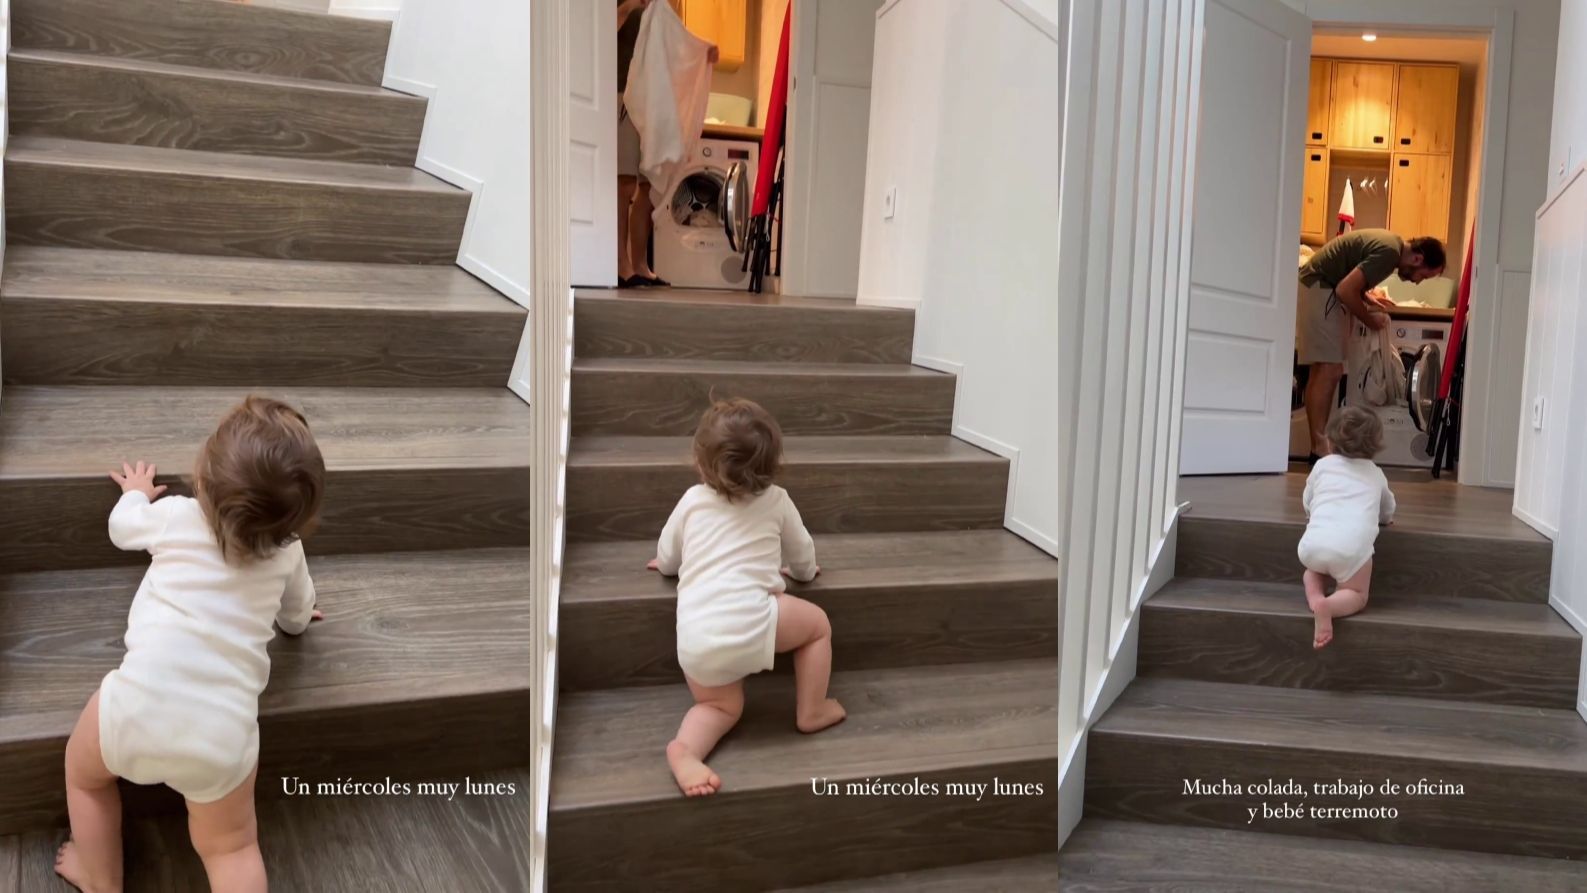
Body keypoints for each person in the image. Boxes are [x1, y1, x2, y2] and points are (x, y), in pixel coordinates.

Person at [55, 397, 325, 893]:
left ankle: (99, 877)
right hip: (221, 739)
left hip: (133, 708)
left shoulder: (177, 515)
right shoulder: (288, 554)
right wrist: (299, 618)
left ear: (201, 479)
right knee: (232, 847)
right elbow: (294, 618)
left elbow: (121, 529)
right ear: (295, 522)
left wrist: (136, 494)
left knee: (84, 775)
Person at [647, 398, 845, 797]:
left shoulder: (691, 501)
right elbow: (802, 553)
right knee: (818, 627)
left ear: (701, 464)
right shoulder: (777, 501)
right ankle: (812, 709)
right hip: (757, 620)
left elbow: (669, 554)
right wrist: (804, 574)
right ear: (773, 467)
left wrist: (666, 567)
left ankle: (686, 750)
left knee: (720, 708)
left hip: (698, 642)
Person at [1297, 229, 1446, 462]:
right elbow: (1345, 290)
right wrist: (1370, 319)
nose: (1418, 282)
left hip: (1316, 284)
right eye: (1423, 276)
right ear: (1417, 259)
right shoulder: (1388, 253)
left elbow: (1349, 279)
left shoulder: (1391, 245)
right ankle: (1318, 447)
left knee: (1323, 370)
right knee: (1330, 369)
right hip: (1320, 287)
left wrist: (1367, 298)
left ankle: (1319, 444)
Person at [616, 0, 718, 288]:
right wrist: (630, 6)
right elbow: (599, 34)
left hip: (652, 100)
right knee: (623, 184)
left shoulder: (662, 5)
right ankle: (620, 264)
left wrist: (702, 50)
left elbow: (675, 45)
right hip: (623, 94)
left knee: (647, 185)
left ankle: (640, 265)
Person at [1298, 406, 1396, 650]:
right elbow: (1387, 508)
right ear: (1375, 448)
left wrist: (1311, 512)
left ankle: (1316, 597)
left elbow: (1308, 498)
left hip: (1313, 543)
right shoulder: (1375, 474)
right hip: (1350, 549)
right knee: (1356, 593)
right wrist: (1386, 520)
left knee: (1312, 572)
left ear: (1329, 443)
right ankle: (1328, 607)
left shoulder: (1322, 466)